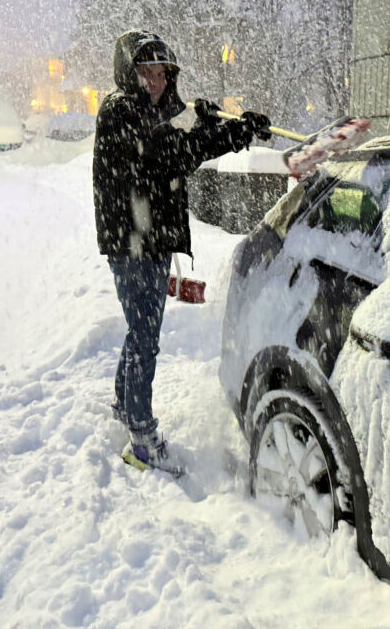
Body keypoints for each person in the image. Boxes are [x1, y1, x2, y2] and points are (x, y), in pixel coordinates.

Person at [92, 29, 270, 474]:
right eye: (146, 73)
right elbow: (172, 151)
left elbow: (178, 123)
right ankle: (141, 439)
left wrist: (219, 121)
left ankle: (123, 404)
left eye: (162, 74)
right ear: (128, 74)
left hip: (143, 238)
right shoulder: (120, 111)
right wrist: (228, 134)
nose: (155, 82)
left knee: (139, 328)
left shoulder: (150, 109)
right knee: (145, 335)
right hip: (132, 242)